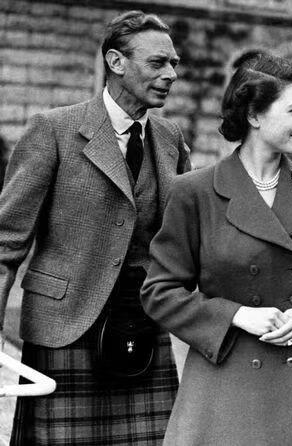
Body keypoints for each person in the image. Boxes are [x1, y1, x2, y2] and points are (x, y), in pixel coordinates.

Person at [140, 52, 292, 446]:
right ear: (255, 115)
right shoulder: (195, 191)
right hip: (225, 387)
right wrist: (238, 315)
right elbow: (160, 292)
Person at [0, 10, 191, 445]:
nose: (171, 74)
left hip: (142, 326)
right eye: (157, 62)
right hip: (64, 327)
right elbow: (5, 241)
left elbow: (186, 235)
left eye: (174, 63)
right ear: (116, 62)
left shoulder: (169, 138)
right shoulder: (54, 130)